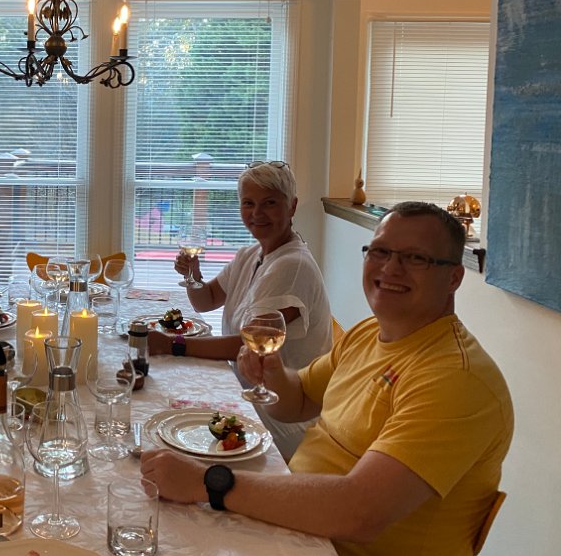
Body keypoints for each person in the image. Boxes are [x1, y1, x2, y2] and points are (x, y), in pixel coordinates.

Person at [141, 202, 514, 556]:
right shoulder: (369, 333)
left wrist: (208, 482)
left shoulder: (455, 380)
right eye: (380, 252)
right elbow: (299, 402)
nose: (391, 268)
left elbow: (360, 512)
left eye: (415, 258)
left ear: (453, 277)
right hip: (298, 524)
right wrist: (274, 372)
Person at [150, 160, 333, 458]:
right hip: (246, 391)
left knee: (171, 428)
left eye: (269, 203)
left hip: (282, 415)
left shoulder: (292, 265)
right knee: (165, 408)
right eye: (248, 203)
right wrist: (194, 275)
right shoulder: (251, 254)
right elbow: (206, 299)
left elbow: (248, 344)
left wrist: (174, 345)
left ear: (292, 206)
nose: (257, 213)